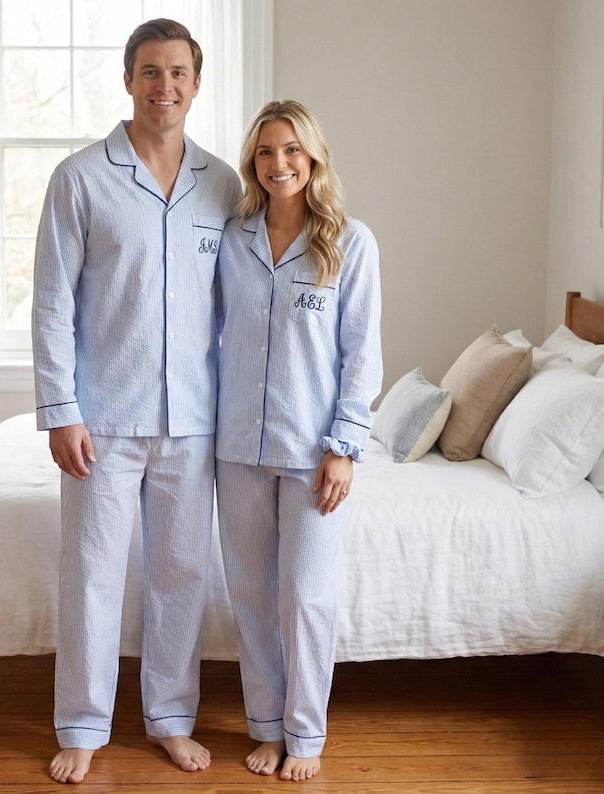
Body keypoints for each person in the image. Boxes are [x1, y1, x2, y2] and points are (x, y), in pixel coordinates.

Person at [31, 19, 241, 785]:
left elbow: (239, 307)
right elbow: (52, 304)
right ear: (128, 80)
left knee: (182, 574)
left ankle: (170, 719)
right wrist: (61, 410)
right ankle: (83, 724)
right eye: (150, 72)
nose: (166, 87)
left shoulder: (222, 184)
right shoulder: (80, 178)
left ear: (196, 82)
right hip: (105, 419)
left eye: (179, 72)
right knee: (90, 575)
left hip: (194, 421)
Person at [215, 99, 382, 782]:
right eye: (264, 151)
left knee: (306, 599)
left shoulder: (349, 243)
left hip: (311, 452)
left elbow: (360, 354)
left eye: (290, 150)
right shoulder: (234, 239)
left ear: (312, 157)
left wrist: (345, 445)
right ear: (252, 162)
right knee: (252, 595)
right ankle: (264, 724)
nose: (278, 163)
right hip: (237, 450)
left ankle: (304, 733)